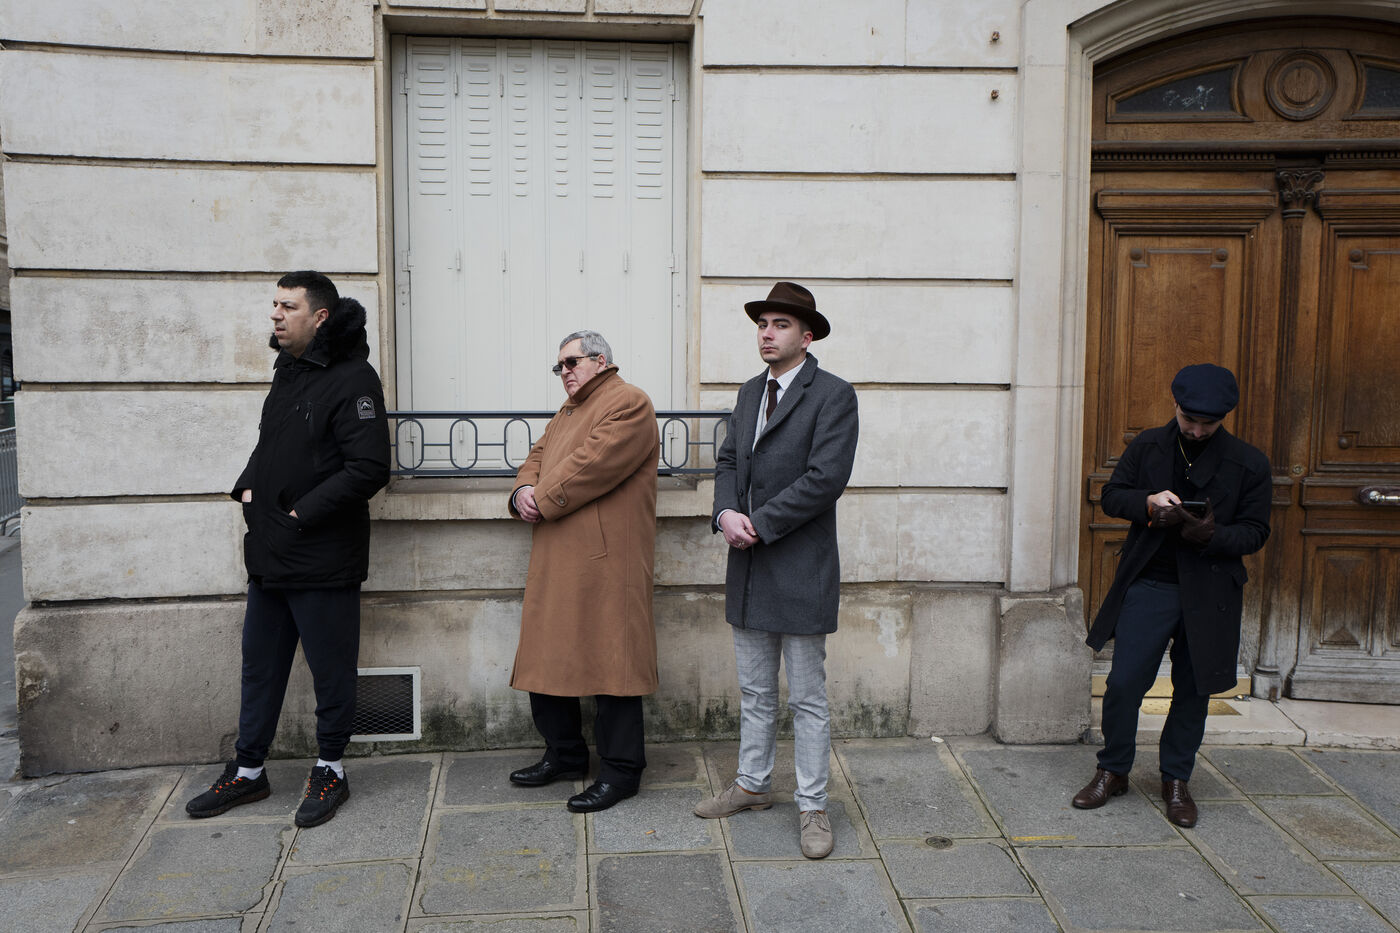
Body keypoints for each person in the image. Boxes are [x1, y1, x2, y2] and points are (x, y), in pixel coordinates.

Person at [185, 271, 390, 828]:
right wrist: (247, 488)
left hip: (323, 559)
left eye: (288, 306)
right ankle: (248, 772)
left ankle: (331, 770)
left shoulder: (354, 379)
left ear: (320, 317)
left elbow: (369, 468)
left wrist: (300, 514)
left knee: (330, 673)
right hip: (270, 554)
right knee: (260, 669)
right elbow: (269, 446)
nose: (275, 314)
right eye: (274, 304)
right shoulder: (289, 371)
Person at [693, 282, 859, 859]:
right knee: (755, 690)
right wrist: (724, 514)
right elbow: (728, 461)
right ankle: (752, 785)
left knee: (807, 697)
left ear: (806, 337)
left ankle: (813, 806)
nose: (767, 333)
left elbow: (826, 478)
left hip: (800, 565)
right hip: (748, 566)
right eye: (762, 324)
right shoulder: (748, 392)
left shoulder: (833, 395)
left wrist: (759, 523)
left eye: (780, 324)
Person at [1073, 363, 1270, 827]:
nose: (1197, 431)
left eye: (1208, 423)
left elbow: (1256, 531)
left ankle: (1176, 779)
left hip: (1212, 590)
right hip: (1150, 582)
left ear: (1224, 417)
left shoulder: (1249, 462)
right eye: (1189, 420)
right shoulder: (1148, 445)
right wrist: (1146, 504)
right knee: (1124, 683)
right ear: (1176, 406)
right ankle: (1112, 769)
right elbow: (1112, 495)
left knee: (1194, 690)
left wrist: (1213, 535)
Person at [506, 331, 660, 813]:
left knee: (614, 666)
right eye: (559, 366)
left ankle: (621, 772)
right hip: (558, 551)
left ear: (601, 361)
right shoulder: (569, 409)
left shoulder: (629, 402)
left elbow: (592, 465)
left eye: (571, 362)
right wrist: (522, 491)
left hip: (605, 561)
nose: (564, 372)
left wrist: (541, 497)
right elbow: (537, 456)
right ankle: (565, 754)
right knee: (548, 658)